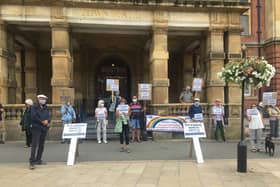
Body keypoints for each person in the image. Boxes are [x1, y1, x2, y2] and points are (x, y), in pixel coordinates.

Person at [29, 94, 51, 170]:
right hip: (36, 128)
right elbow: (33, 117)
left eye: (44, 99)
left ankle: (38, 159)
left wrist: (48, 121)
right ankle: (32, 162)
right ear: (38, 99)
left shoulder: (46, 107)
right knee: (34, 145)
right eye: (42, 98)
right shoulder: (33, 107)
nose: (43, 100)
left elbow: (48, 116)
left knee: (41, 145)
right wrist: (42, 122)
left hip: (44, 128)